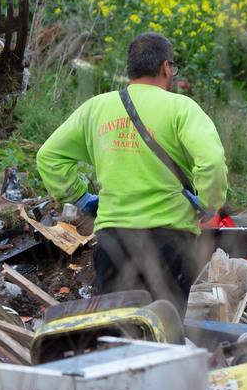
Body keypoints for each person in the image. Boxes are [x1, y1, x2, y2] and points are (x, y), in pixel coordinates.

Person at [36, 32, 227, 311]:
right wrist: (210, 205)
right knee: (164, 327)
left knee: (116, 329)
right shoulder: (182, 108)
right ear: (166, 67)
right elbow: (210, 161)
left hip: (114, 242)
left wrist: (81, 198)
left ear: (131, 68)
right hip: (170, 241)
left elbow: (48, 156)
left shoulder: (96, 109)